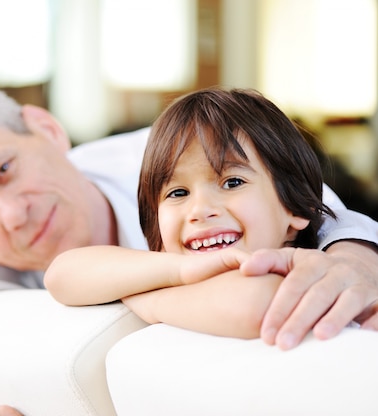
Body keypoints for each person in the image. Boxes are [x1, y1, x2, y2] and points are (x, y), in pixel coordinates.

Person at [0, 85, 378, 416]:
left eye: (4, 170)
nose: (12, 214)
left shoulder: (175, 161)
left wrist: (355, 254)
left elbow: (318, 207)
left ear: (47, 130)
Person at [45, 87, 340, 339]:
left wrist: (145, 299)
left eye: (232, 182)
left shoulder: (302, 269)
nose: (200, 210)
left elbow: (258, 304)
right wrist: (179, 270)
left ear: (296, 206)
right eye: (178, 193)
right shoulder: (178, 270)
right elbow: (61, 274)